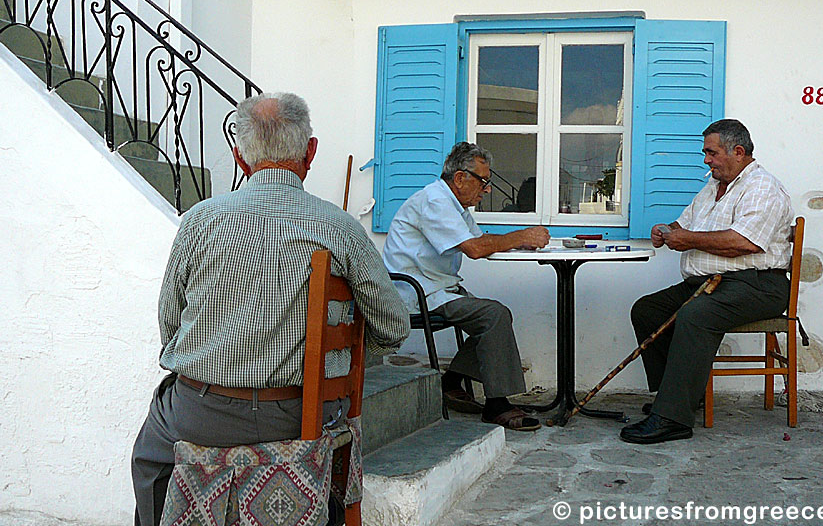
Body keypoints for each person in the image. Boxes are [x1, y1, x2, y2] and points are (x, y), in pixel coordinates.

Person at [131, 93, 410, 525]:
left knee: (151, 457)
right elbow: (393, 326)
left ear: (239, 156)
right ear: (310, 152)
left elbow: (170, 327)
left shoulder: (199, 220)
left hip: (201, 415)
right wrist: (329, 364)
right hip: (299, 415)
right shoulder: (339, 228)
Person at [621, 119, 792, 445]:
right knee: (647, 310)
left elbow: (745, 242)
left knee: (695, 316)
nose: (706, 160)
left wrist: (689, 239)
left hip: (756, 285)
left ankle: (673, 418)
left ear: (738, 152)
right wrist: (666, 230)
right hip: (712, 281)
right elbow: (685, 224)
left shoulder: (762, 187)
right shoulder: (713, 187)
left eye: (711, 153)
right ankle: (678, 396)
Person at [383, 142, 551, 432]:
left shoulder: (453, 205)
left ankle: (450, 383)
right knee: (494, 315)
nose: (486, 190)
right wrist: (520, 235)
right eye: (483, 182)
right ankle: (496, 404)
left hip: (437, 288)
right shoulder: (435, 202)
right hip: (415, 292)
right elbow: (475, 248)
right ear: (460, 178)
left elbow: (482, 240)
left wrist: (519, 241)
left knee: (496, 317)